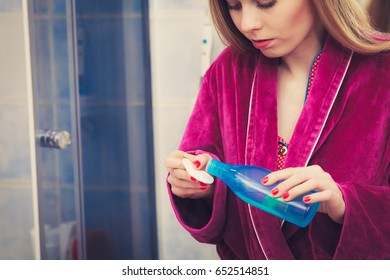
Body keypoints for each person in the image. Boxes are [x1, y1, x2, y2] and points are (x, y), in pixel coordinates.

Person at [164, 0, 390, 259]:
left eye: (265, 2)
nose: (247, 24)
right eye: (234, 5)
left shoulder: (383, 72)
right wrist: (201, 185)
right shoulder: (228, 72)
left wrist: (345, 203)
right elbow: (204, 165)